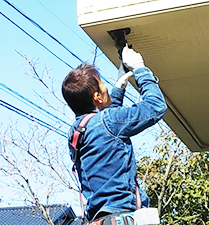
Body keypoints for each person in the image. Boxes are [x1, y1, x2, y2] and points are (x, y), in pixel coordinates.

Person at [62, 46, 167, 224]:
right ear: (97, 97)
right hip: (123, 214)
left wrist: (120, 87)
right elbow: (155, 106)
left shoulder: (76, 131)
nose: (107, 89)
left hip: (102, 218)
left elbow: (106, 124)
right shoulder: (108, 121)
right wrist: (140, 69)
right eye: (104, 86)